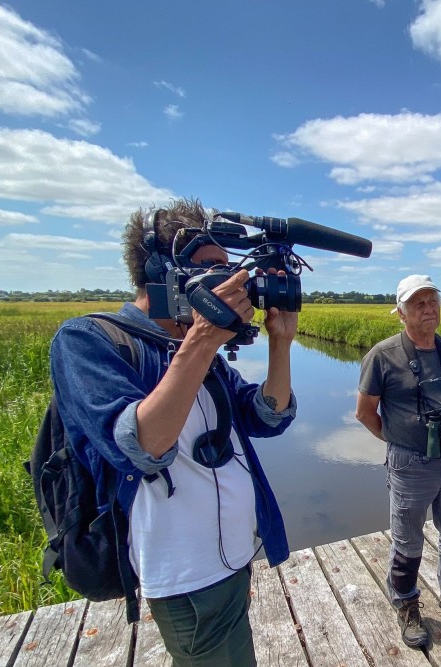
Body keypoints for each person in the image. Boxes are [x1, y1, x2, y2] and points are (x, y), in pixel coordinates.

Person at [50, 198, 298, 666]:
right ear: (161, 272)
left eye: (229, 273)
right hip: (185, 575)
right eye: (211, 272)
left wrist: (281, 342)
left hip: (234, 555)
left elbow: (266, 417)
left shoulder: (190, 343)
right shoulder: (88, 340)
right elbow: (143, 445)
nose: (228, 287)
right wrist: (204, 338)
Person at [356, 274, 441, 648]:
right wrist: (399, 439)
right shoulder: (382, 355)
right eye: (418, 304)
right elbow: (365, 412)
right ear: (400, 312)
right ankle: (407, 603)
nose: (428, 309)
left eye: (433, 302)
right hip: (409, 463)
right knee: (408, 541)